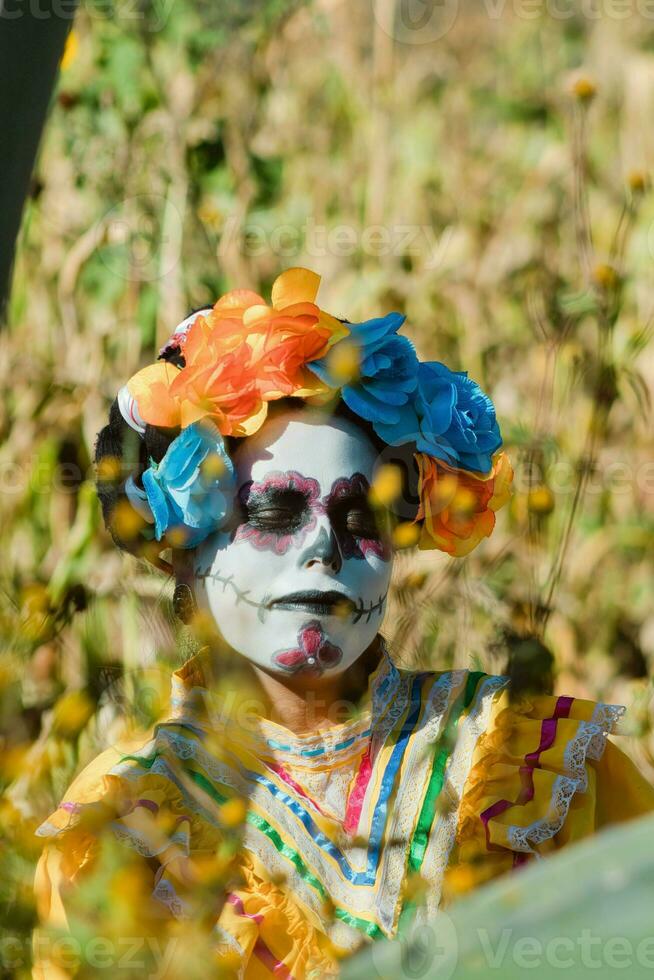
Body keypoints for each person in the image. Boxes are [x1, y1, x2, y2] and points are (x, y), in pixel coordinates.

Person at [33, 269, 654, 978]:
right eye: (274, 512)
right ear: (184, 547)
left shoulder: (535, 764)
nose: (324, 546)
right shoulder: (124, 818)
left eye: (359, 517)